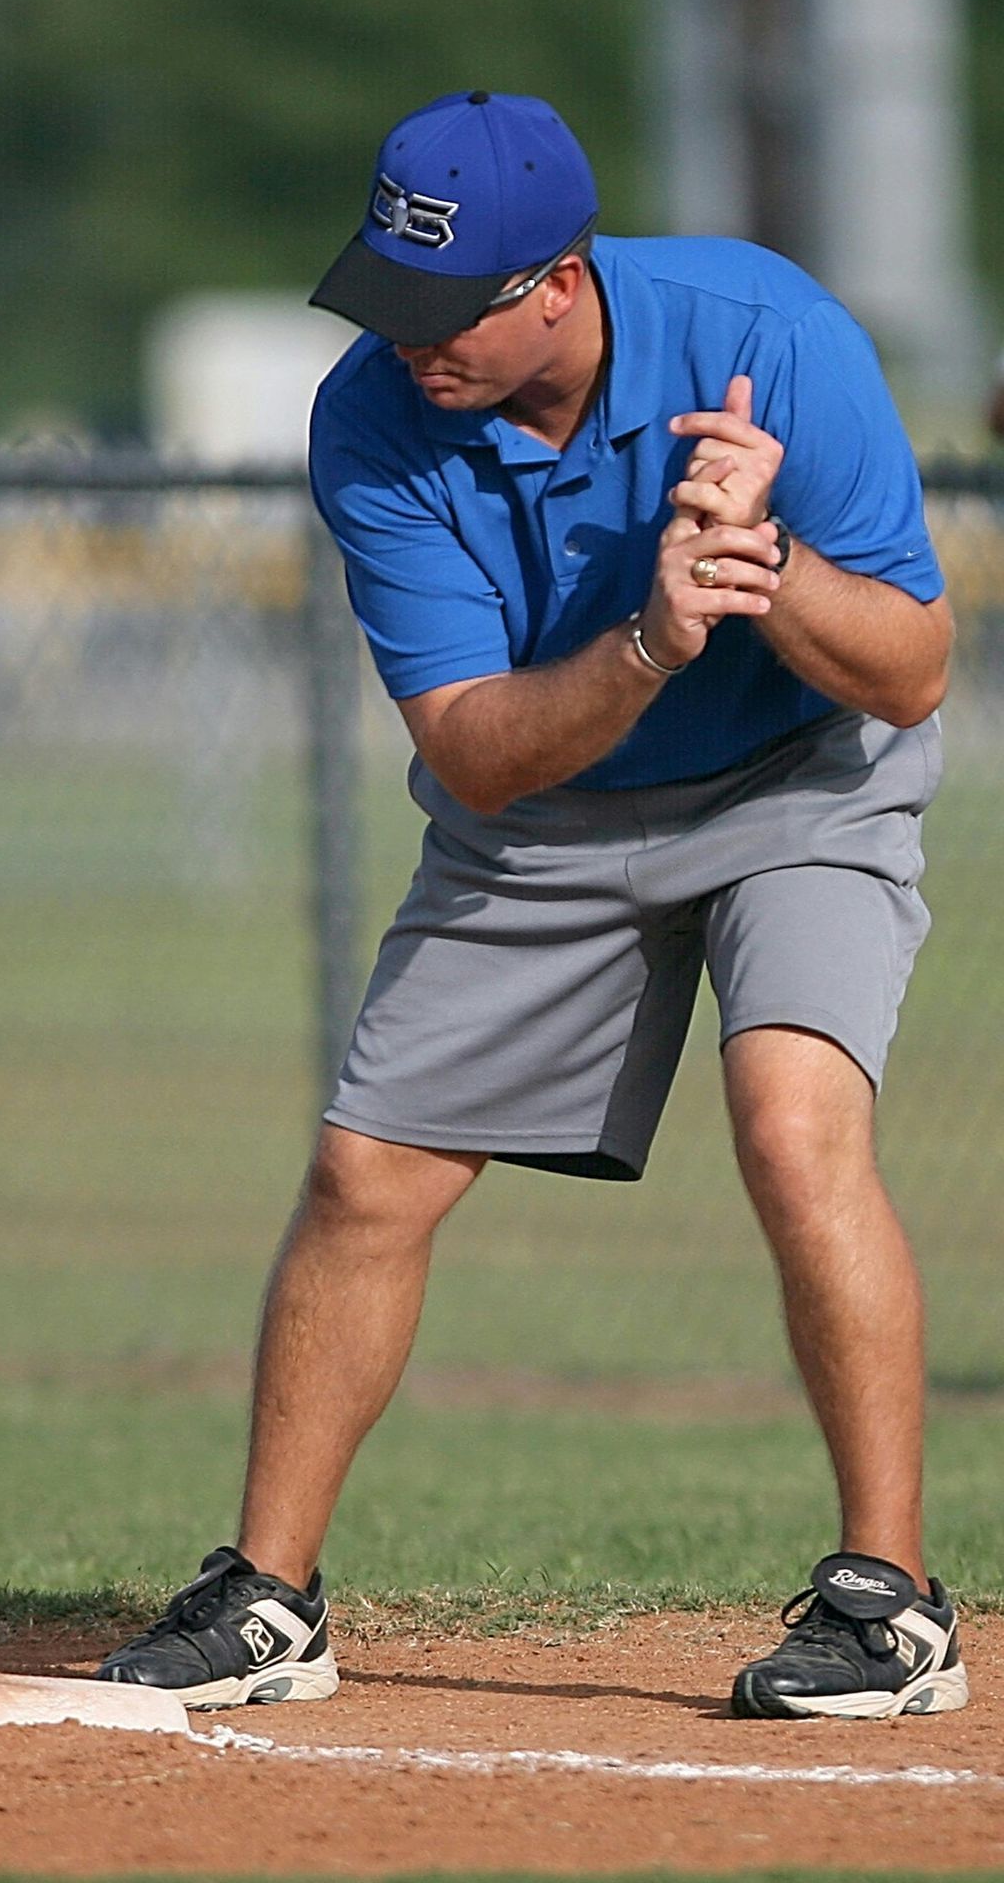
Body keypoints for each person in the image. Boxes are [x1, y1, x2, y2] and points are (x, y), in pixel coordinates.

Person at [97, 91, 961, 1721]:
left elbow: (914, 677)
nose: (409, 345)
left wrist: (763, 567)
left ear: (555, 281)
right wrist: (648, 638)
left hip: (798, 778)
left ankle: (889, 1608)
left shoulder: (771, 338)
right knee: (367, 1175)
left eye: (447, 315)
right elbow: (478, 757)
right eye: (389, 301)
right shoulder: (373, 421)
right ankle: (272, 1598)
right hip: (552, 804)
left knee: (794, 1125)